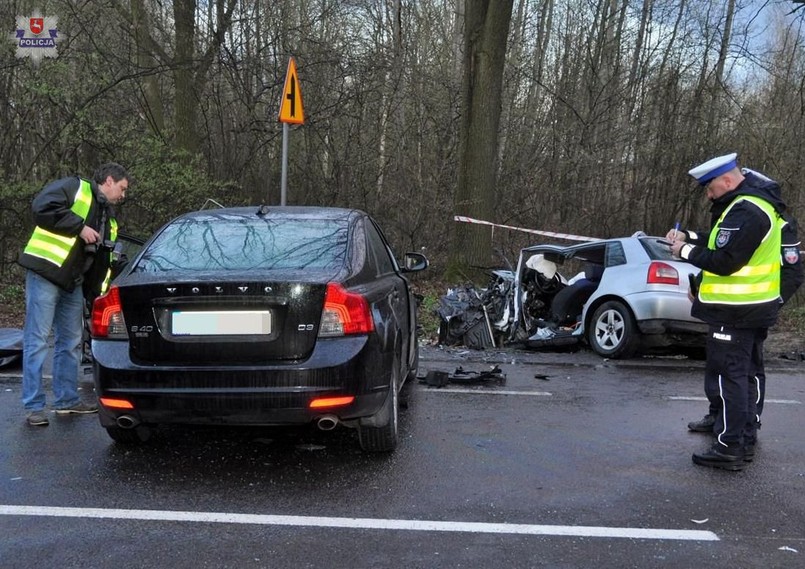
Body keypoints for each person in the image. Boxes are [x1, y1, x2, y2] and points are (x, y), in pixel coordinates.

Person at [668, 153, 785, 471]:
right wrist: (689, 237)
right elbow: (722, 242)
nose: (708, 194)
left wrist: (684, 251)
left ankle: (729, 446)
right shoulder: (751, 206)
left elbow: (725, 261)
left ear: (728, 181)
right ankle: (743, 439)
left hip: (736, 312)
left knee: (729, 377)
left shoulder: (746, 210)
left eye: (709, 187)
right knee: (744, 375)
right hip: (750, 310)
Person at [681, 167, 802, 438]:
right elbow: (720, 249)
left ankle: (746, 426)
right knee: (720, 368)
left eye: (711, 189)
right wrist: (700, 285)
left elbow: (793, 273)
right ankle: (719, 416)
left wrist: (772, 303)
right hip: (729, 308)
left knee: (747, 371)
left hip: (749, 311)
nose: (710, 197)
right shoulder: (737, 212)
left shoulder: (773, 220)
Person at [19, 163, 129, 427]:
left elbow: (102, 264)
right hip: (46, 272)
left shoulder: (109, 220)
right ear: (110, 181)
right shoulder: (75, 188)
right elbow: (42, 207)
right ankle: (34, 407)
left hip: (73, 283)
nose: (124, 195)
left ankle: (67, 401)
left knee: (70, 343)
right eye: (122, 188)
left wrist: (95, 297)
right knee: (37, 341)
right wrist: (79, 228)